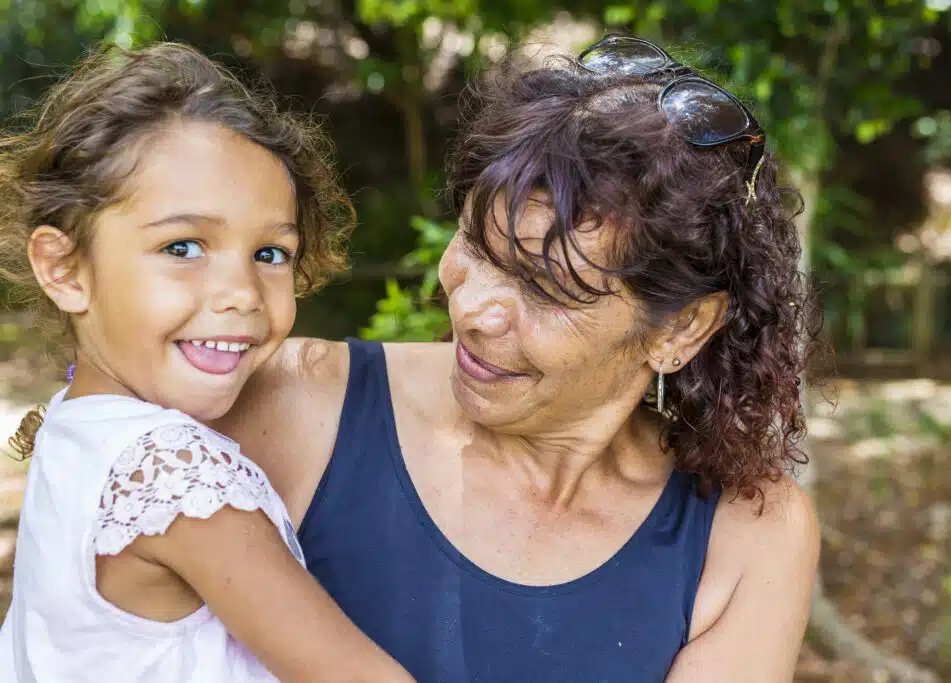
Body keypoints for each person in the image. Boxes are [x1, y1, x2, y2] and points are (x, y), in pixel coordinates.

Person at [216, 33, 821, 683]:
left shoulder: (746, 537)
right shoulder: (294, 405)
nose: (475, 310)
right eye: (475, 246)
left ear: (680, 326)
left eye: (544, 288)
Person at [0, 42, 413, 682]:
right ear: (65, 269)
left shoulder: (76, 423)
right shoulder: (178, 479)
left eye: (270, 254)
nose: (242, 293)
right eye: (183, 246)